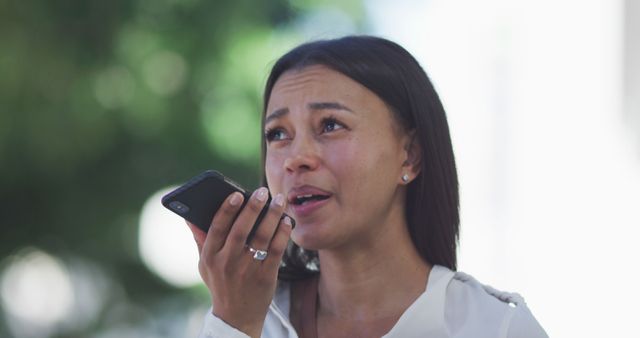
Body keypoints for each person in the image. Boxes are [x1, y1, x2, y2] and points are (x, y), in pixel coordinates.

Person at [186, 36, 548, 338]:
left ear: (410, 156)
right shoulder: (246, 317)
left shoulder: (494, 327)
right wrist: (235, 325)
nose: (295, 158)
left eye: (330, 125)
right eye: (277, 134)